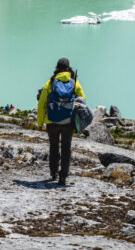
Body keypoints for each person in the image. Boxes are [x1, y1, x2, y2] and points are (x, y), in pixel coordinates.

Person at [36, 57, 86, 187]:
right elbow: (82, 99)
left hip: (52, 121)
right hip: (68, 121)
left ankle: (53, 173)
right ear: (68, 68)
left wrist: (40, 122)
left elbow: (42, 103)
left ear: (57, 67)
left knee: (54, 147)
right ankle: (63, 176)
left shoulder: (51, 81)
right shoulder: (74, 82)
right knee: (66, 148)